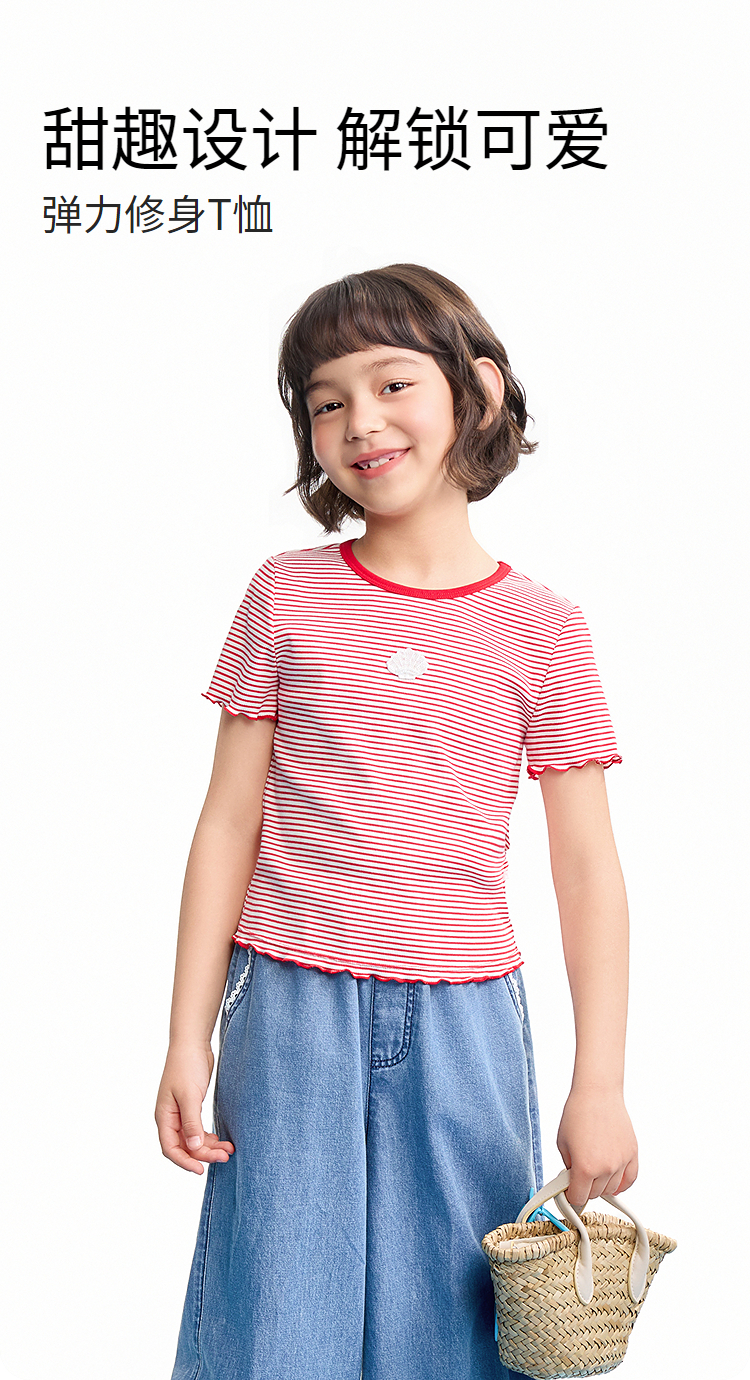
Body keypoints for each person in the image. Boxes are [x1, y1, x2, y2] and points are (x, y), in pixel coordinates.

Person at [155, 263, 638, 1380]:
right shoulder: (285, 595)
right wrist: (187, 1034)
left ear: (479, 389)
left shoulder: (545, 627)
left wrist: (601, 1084)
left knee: (455, 1334)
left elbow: (587, 867)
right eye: (327, 402)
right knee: (275, 1316)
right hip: (288, 1001)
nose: (360, 422)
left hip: (466, 1018)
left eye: (391, 384)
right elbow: (227, 824)